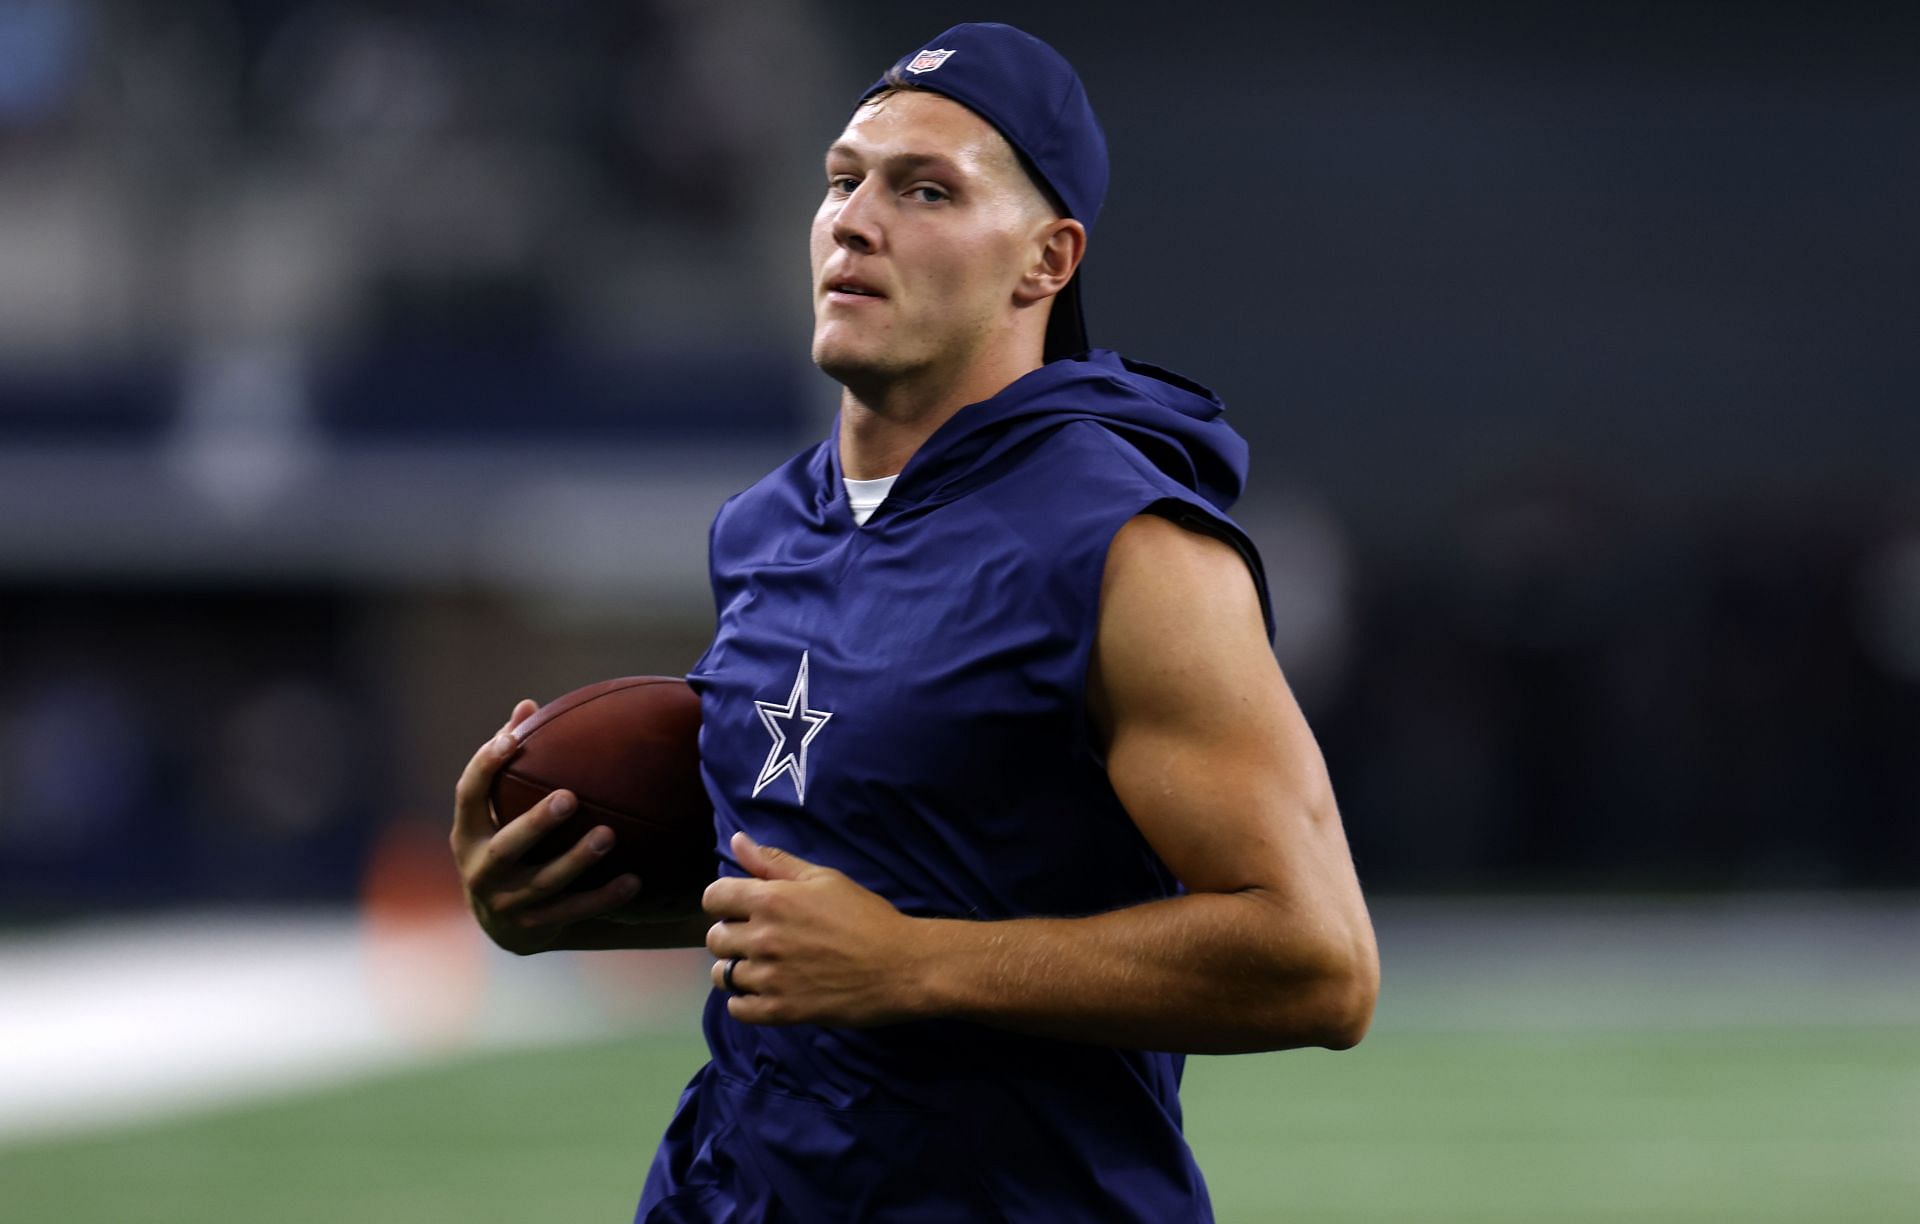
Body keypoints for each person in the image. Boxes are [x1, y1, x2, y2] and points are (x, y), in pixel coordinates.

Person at [451, 22, 1378, 1221]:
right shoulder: (766, 526)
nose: (854, 219)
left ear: (1046, 260)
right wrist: (552, 901)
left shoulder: (1127, 547)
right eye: (842, 181)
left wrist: (918, 966)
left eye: (926, 189)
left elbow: (1319, 963)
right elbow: (824, 890)